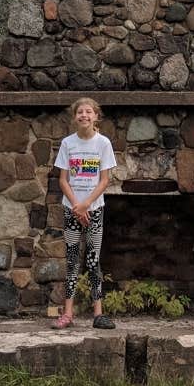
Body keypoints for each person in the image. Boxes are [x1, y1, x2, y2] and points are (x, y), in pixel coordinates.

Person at [54, 97, 117, 330]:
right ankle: (68, 313)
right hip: (72, 211)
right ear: (75, 117)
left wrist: (86, 205)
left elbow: (105, 180)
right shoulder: (67, 144)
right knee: (72, 261)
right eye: (80, 112)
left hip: (95, 211)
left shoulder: (103, 144)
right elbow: (63, 180)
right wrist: (76, 206)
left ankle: (98, 314)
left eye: (88, 112)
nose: (84, 115)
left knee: (93, 261)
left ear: (95, 116)